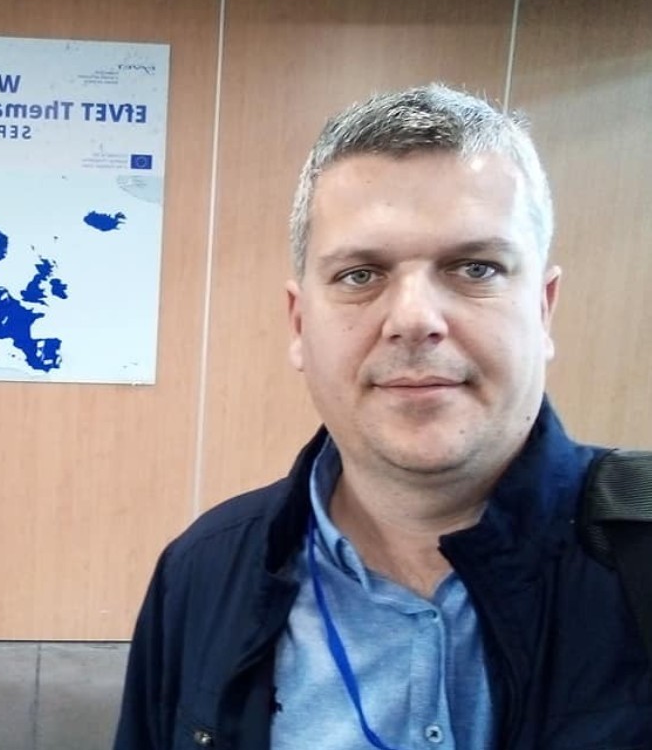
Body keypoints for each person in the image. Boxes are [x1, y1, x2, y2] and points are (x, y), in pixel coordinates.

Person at [112, 84, 652, 749]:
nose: (414, 319)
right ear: (299, 324)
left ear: (543, 310)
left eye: (475, 268)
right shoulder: (202, 574)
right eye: (361, 275)